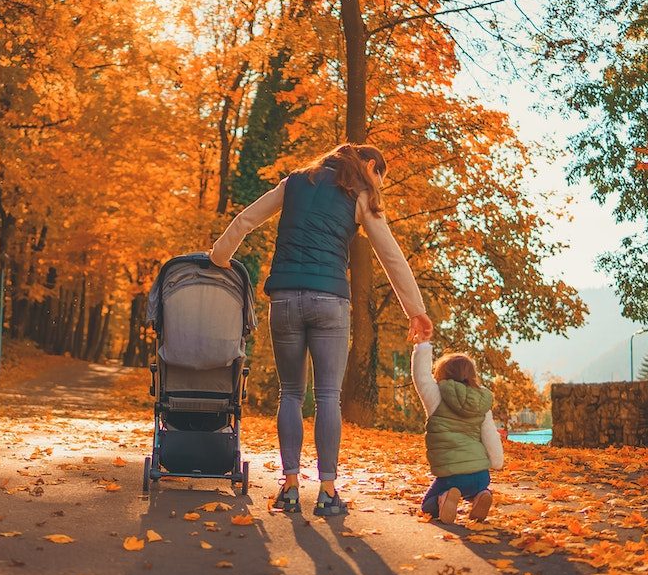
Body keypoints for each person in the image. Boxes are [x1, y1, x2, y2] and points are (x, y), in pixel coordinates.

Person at [209, 143, 432, 517]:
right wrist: (416, 311)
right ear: (370, 166)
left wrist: (219, 257)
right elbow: (390, 254)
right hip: (329, 301)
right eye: (380, 175)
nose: (378, 183)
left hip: (283, 299)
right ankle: (328, 492)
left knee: (291, 394)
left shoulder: (295, 182)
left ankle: (291, 487)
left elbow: (246, 220)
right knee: (328, 396)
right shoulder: (358, 194)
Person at [411, 343, 503, 523]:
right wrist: (497, 462)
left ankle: (444, 497)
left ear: (441, 374)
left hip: (451, 475)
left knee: (427, 506)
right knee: (477, 487)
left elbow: (421, 378)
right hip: (480, 474)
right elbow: (490, 434)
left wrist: (422, 345)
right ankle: (480, 495)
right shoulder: (481, 402)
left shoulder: (437, 396)